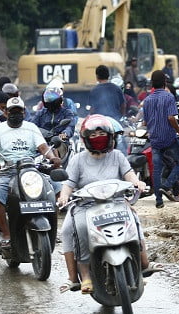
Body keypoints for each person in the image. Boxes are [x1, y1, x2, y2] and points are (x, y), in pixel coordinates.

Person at [56, 115, 161, 294]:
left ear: (110, 136)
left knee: (134, 219)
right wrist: (63, 197)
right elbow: (68, 185)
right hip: (85, 206)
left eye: (102, 133)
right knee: (72, 229)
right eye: (94, 134)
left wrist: (138, 183)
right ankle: (80, 276)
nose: (98, 137)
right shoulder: (78, 160)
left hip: (116, 202)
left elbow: (129, 175)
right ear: (86, 138)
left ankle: (144, 262)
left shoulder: (117, 156)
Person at [0, 97, 61, 249]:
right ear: (5, 112)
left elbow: (43, 148)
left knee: (57, 188)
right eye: (12, 111)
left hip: (31, 170)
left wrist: (53, 158)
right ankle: (7, 233)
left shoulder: (31, 127)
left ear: (24, 112)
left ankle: (53, 228)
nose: (15, 114)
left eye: (18, 111)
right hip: (8, 172)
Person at [142, 70, 179, 208]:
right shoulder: (169, 97)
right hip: (168, 138)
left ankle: (159, 201)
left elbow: (145, 122)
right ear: (164, 82)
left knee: (156, 169)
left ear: (152, 84)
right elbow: (171, 118)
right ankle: (167, 185)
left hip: (154, 139)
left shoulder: (147, 100)